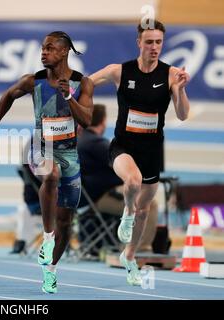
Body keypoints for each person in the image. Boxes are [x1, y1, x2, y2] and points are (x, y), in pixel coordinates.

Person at [0, 31, 94, 293]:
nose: (44, 52)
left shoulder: (82, 83)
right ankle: (47, 238)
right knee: (50, 175)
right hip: (40, 148)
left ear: (64, 52)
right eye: (43, 48)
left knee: (66, 221)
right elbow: (8, 95)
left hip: (70, 154)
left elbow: (87, 120)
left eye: (50, 48)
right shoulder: (34, 81)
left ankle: (50, 270)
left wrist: (69, 98)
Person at [89, 19, 190, 285]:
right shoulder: (119, 71)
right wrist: (67, 96)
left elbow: (182, 114)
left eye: (158, 42)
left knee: (145, 210)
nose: (154, 47)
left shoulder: (170, 75)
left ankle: (129, 255)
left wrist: (179, 91)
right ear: (139, 43)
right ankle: (127, 213)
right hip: (123, 146)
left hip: (152, 150)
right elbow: (86, 84)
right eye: (149, 42)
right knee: (131, 181)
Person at [77, 104, 158, 255]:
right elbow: (125, 167)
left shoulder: (80, 140)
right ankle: (139, 250)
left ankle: (125, 245)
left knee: (129, 195)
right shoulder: (98, 144)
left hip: (83, 197)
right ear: (103, 122)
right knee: (149, 203)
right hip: (96, 199)